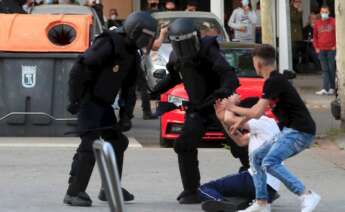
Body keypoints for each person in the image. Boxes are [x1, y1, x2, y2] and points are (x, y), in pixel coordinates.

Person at [63, 11, 157, 207]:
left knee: (117, 141)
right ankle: (73, 192)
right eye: (144, 36)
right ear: (134, 31)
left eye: (149, 38)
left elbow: (129, 89)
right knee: (89, 143)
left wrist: (125, 116)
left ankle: (109, 189)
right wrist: (75, 99)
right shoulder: (109, 42)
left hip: (104, 105)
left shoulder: (132, 54)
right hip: (89, 100)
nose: (145, 41)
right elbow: (80, 68)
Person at [151, 18, 245, 204]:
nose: (184, 49)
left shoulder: (209, 49)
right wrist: (154, 91)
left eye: (186, 44)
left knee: (239, 143)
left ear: (194, 38)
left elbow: (228, 75)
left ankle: (259, 181)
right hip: (198, 109)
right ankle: (191, 190)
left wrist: (223, 93)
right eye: (180, 44)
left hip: (218, 104)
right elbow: (174, 77)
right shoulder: (176, 57)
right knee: (183, 145)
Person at [226, 44, 321, 212]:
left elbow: (256, 112)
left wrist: (231, 107)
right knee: (257, 157)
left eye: (253, 62)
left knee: (270, 161)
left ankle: (306, 194)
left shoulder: (274, 81)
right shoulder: (273, 81)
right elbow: (260, 106)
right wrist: (241, 122)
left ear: (258, 63)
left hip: (300, 131)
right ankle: (262, 203)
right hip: (290, 130)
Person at [199, 97, 281, 212]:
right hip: (270, 188)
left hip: (255, 179)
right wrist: (223, 120)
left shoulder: (261, 121)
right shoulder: (270, 126)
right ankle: (247, 202)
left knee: (205, 188)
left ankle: (220, 202)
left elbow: (229, 119)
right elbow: (241, 141)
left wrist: (230, 105)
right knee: (238, 184)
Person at [313, 5, 336, 96]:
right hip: (321, 49)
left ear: (329, 12)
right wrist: (316, 47)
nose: (324, 14)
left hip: (331, 49)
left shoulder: (333, 21)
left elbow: (338, 33)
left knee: (331, 69)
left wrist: (335, 46)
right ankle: (325, 88)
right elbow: (314, 37)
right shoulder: (317, 23)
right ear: (320, 12)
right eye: (322, 12)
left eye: (326, 12)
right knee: (324, 69)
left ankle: (332, 88)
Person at [290, 0, 304, 72]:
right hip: (293, 36)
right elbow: (295, 18)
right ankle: (293, 68)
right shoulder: (291, 9)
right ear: (293, 2)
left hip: (298, 35)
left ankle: (296, 67)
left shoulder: (296, 9)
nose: (298, 3)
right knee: (293, 53)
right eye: (297, 2)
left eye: (299, 2)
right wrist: (299, 12)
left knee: (297, 52)